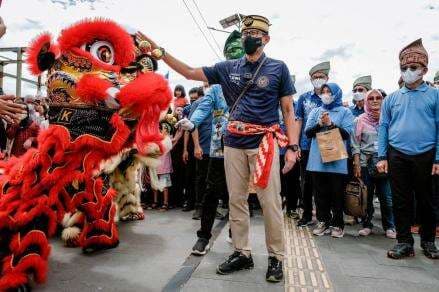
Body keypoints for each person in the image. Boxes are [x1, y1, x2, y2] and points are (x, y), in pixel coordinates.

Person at [140, 14, 300, 282]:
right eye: (246, 33)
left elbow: (287, 109)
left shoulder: (278, 68)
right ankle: (242, 252)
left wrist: (293, 147)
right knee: (236, 200)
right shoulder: (227, 68)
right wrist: (160, 51)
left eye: (255, 35)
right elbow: (190, 72)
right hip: (234, 143)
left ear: (266, 39)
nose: (249, 38)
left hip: (265, 143)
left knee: (269, 201)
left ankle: (276, 257)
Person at [183, 30, 243, 255]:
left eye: (238, 56)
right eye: (231, 56)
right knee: (211, 192)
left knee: (237, 194)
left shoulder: (251, 83)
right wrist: (191, 122)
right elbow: (203, 107)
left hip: (243, 146)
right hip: (218, 149)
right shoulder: (216, 88)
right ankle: (204, 237)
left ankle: (235, 232)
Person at [377, 39, 439, 260]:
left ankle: (429, 241)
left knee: (427, 201)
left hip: (427, 154)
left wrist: (438, 159)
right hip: (397, 154)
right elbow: (383, 127)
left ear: (424, 70)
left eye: (413, 68)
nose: (408, 72)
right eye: (405, 68)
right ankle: (404, 242)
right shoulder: (392, 98)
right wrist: (382, 156)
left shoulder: (435, 95)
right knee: (401, 200)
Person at [305, 83, 354, 238]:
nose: (326, 94)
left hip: (336, 161)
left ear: (337, 94)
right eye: (324, 91)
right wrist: (320, 124)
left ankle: (338, 224)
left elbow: (347, 134)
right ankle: (323, 221)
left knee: (337, 194)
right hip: (317, 160)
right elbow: (308, 133)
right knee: (320, 194)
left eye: (329, 92)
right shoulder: (316, 111)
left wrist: (331, 124)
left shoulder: (345, 112)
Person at [351, 89, 396, 238]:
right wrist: (356, 162)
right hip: (365, 163)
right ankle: (367, 225)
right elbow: (355, 144)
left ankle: (390, 226)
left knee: (387, 198)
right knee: (367, 197)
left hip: (384, 164)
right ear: (366, 101)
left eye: (378, 98)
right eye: (371, 98)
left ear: (383, 101)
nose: (375, 100)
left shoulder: (390, 119)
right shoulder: (359, 120)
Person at [295, 61, 329, 226]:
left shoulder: (330, 97)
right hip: (307, 146)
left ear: (327, 78)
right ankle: (307, 214)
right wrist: (296, 145)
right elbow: (298, 121)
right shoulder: (304, 98)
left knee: (324, 183)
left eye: (321, 76)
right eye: (315, 77)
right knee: (306, 182)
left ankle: (325, 217)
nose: (318, 79)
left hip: (327, 146)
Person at [190, 86, 212, 220]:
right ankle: (199, 207)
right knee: (201, 178)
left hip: (220, 149)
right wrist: (196, 146)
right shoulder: (198, 103)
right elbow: (192, 125)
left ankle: (214, 208)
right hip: (203, 148)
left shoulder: (224, 102)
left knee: (216, 180)